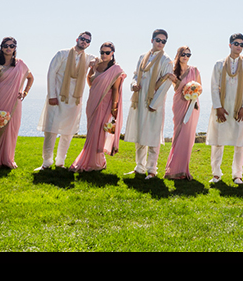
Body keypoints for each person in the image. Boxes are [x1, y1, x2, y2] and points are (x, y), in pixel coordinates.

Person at [36, 32, 96, 170]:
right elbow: (51, 73)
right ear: (77, 39)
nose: (84, 42)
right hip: (57, 98)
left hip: (74, 101)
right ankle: (46, 163)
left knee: (68, 133)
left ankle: (60, 162)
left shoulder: (89, 58)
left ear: (89, 44)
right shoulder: (61, 54)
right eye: (82, 39)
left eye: (87, 41)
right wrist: (52, 95)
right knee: (51, 131)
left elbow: (104, 62)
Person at [207, 33, 243, 184]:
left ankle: (237, 175)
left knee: (240, 142)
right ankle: (216, 174)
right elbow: (213, 87)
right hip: (222, 107)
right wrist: (218, 107)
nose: (239, 46)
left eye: (242, 44)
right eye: (236, 43)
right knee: (218, 141)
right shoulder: (218, 64)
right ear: (230, 45)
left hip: (239, 109)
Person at [123, 29, 173, 178]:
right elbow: (135, 75)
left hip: (153, 103)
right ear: (152, 40)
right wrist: (133, 85)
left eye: (164, 41)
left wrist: (155, 104)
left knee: (152, 136)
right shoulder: (142, 57)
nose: (161, 43)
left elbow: (167, 83)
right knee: (140, 135)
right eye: (158, 40)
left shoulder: (166, 60)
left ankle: (152, 169)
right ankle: (139, 167)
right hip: (139, 99)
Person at [70, 42, 126, 172]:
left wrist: (114, 107)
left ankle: (94, 162)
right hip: (92, 102)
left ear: (112, 53)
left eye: (107, 52)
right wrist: (92, 80)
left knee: (98, 132)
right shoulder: (96, 65)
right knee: (91, 132)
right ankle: (98, 161)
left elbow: (116, 89)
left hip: (105, 104)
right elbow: (90, 79)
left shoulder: (116, 69)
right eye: (102, 52)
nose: (104, 55)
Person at [0, 37, 34, 169]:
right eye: (6, 45)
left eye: (12, 46)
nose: (9, 48)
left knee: (12, 130)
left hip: (15, 103)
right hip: (0, 100)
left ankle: (8, 159)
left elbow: (30, 78)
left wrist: (25, 92)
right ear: (1, 47)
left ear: (15, 48)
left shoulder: (20, 64)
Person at [163, 46, 202, 180]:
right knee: (178, 134)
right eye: (183, 54)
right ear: (178, 55)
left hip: (193, 105)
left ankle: (183, 169)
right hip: (179, 103)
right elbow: (176, 88)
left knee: (188, 137)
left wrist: (194, 92)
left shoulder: (195, 70)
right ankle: (173, 168)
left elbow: (200, 88)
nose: (186, 56)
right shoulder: (174, 71)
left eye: (188, 54)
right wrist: (173, 78)